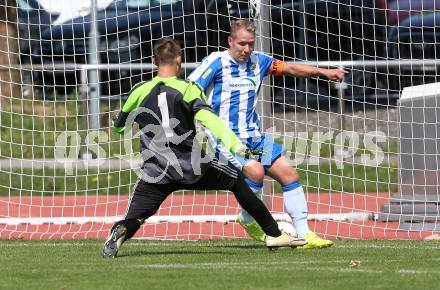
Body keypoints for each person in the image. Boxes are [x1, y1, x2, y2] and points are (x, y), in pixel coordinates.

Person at [102, 37, 307, 258]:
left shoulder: (139, 90)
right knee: (236, 181)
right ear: (179, 59)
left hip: (156, 170)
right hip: (192, 167)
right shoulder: (188, 89)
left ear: (154, 60)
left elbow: (119, 127)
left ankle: (120, 230)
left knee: (138, 216)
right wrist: (239, 148)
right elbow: (214, 123)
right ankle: (274, 234)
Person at [188, 19, 347, 249]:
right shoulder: (216, 62)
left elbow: (290, 68)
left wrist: (323, 71)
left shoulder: (258, 61)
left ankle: (305, 236)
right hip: (227, 139)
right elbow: (190, 90)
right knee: (256, 171)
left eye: (251, 44)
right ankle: (248, 217)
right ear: (230, 41)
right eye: (242, 43)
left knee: (289, 175)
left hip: (254, 137)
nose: (247, 49)